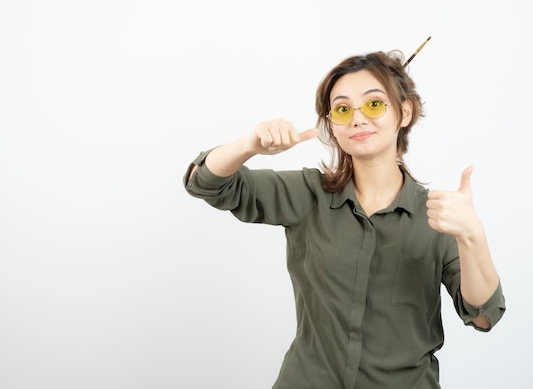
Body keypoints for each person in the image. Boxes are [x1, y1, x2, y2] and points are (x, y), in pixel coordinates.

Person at [183, 48, 506, 389]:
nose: (357, 118)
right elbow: (204, 183)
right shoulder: (308, 193)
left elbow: (483, 315)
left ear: (405, 111)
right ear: (331, 125)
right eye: (342, 109)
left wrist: (473, 236)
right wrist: (249, 145)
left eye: (374, 104)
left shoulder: (439, 216)